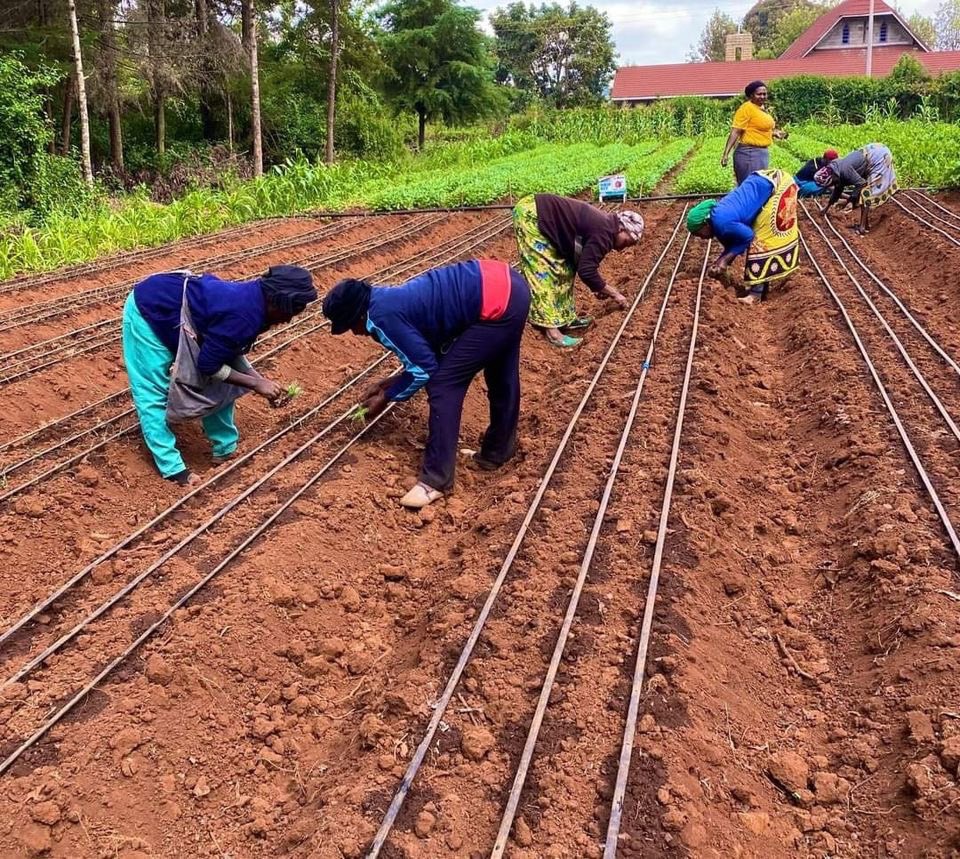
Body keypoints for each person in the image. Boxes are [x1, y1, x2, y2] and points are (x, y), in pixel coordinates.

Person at [323, 259, 530, 509]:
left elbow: (424, 370)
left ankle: (436, 480)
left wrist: (388, 397)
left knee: (443, 384)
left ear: (358, 316)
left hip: (495, 303)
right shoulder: (385, 297)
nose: (355, 333)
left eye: (350, 327)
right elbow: (427, 353)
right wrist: (388, 384)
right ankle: (497, 452)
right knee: (500, 369)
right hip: (510, 286)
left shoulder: (380, 318)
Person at [122, 265, 317, 486]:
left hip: (185, 314)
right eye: (293, 310)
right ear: (278, 301)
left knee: (223, 381)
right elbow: (208, 365)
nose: (290, 319)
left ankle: (225, 449)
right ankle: (173, 468)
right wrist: (255, 383)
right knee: (153, 391)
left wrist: (258, 379)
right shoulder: (244, 315)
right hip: (150, 310)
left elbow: (227, 352)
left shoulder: (257, 304)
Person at [513, 193, 644, 348]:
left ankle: (565, 318)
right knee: (543, 272)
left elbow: (580, 263)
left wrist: (599, 287)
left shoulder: (607, 228)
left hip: (544, 216)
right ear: (621, 228)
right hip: (532, 214)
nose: (623, 248)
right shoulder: (604, 233)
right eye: (627, 241)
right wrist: (613, 293)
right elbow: (587, 271)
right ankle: (552, 332)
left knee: (566, 269)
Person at [686, 169, 799, 305]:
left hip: (779, 186)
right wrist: (721, 261)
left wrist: (725, 260)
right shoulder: (718, 219)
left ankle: (755, 295)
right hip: (768, 179)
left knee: (761, 241)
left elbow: (747, 236)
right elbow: (733, 243)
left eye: (699, 233)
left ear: (705, 224)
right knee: (760, 235)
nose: (702, 238)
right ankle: (762, 289)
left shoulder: (722, 222)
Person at [815, 143, 898, 235]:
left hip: (879, 157)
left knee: (866, 193)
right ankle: (865, 225)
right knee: (862, 193)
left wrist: (851, 201)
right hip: (872, 152)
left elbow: (861, 183)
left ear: (832, 178)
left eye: (831, 183)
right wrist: (826, 208)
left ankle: (862, 227)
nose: (832, 185)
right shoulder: (835, 169)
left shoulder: (844, 170)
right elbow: (838, 190)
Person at [721, 81, 789, 186]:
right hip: (749, 154)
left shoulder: (760, 109)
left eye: (764, 94)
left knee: (757, 186)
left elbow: (757, 129)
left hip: (760, 154)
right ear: (751, 95)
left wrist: (775, 133)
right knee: (750, 187)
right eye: (759, 94)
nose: (762, 96)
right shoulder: (746, 108)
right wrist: (726, 154)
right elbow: (736, 131)